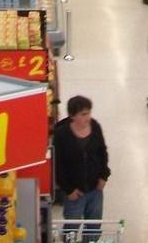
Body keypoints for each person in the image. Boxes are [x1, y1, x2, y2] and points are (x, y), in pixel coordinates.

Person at [54, 96, 110, 241]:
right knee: (72, 226)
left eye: (89, 113)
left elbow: (102, 152)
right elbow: (57, 165)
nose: (88, 117)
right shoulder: (62, 134)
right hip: (75, 192)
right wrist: (68, 190)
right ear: (72, 116)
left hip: (95, 188)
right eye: (83, 114)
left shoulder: (95, 126)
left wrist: (104, 176)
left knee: (94, 224)